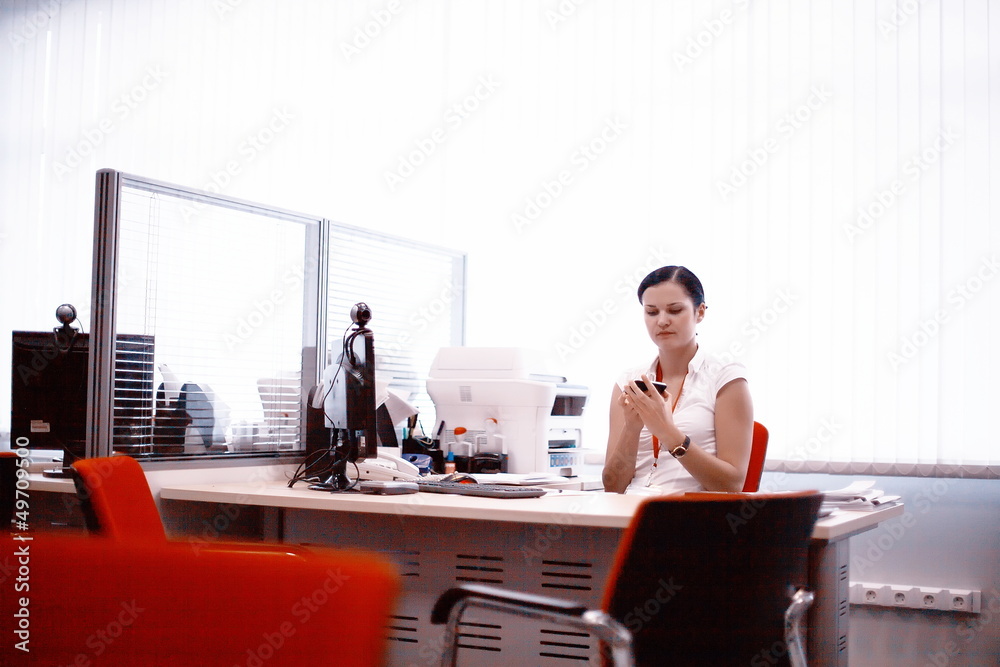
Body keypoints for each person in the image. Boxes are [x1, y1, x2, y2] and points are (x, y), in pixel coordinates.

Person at [602, 266, 753, 494]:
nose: (662, 321)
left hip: (688, 511)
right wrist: (631, 430)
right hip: (631, 509)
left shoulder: (726, 379)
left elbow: (731, 485)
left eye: (674, 310)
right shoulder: (628, 381)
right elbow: (612, 486)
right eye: (652, 312)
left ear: (700, 312)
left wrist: (667, 432)